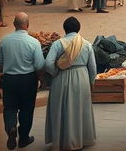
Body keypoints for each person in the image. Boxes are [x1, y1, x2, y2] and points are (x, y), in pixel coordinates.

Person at [44, 16, 96, 151]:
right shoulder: (86, 44)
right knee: (80, 109)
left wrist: (56, 73)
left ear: (64, 29)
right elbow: (93, 68)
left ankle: (62, 140)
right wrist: (90, 82)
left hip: (62, 77)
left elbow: (48, 64)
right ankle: (81, 139)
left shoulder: (58, 44)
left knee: (61, 109)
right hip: (81, 77)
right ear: (79, 28)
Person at [0, 12, 45, 150]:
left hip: (9, 79)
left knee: (10, 108)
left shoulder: (4, 41)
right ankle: (24, 138)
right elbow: (40, 65)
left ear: (14, 25)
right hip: (28, 80)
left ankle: (11, 128)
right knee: (27, 109)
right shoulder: (34, 42)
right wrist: (40, 78)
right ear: (27, 25)